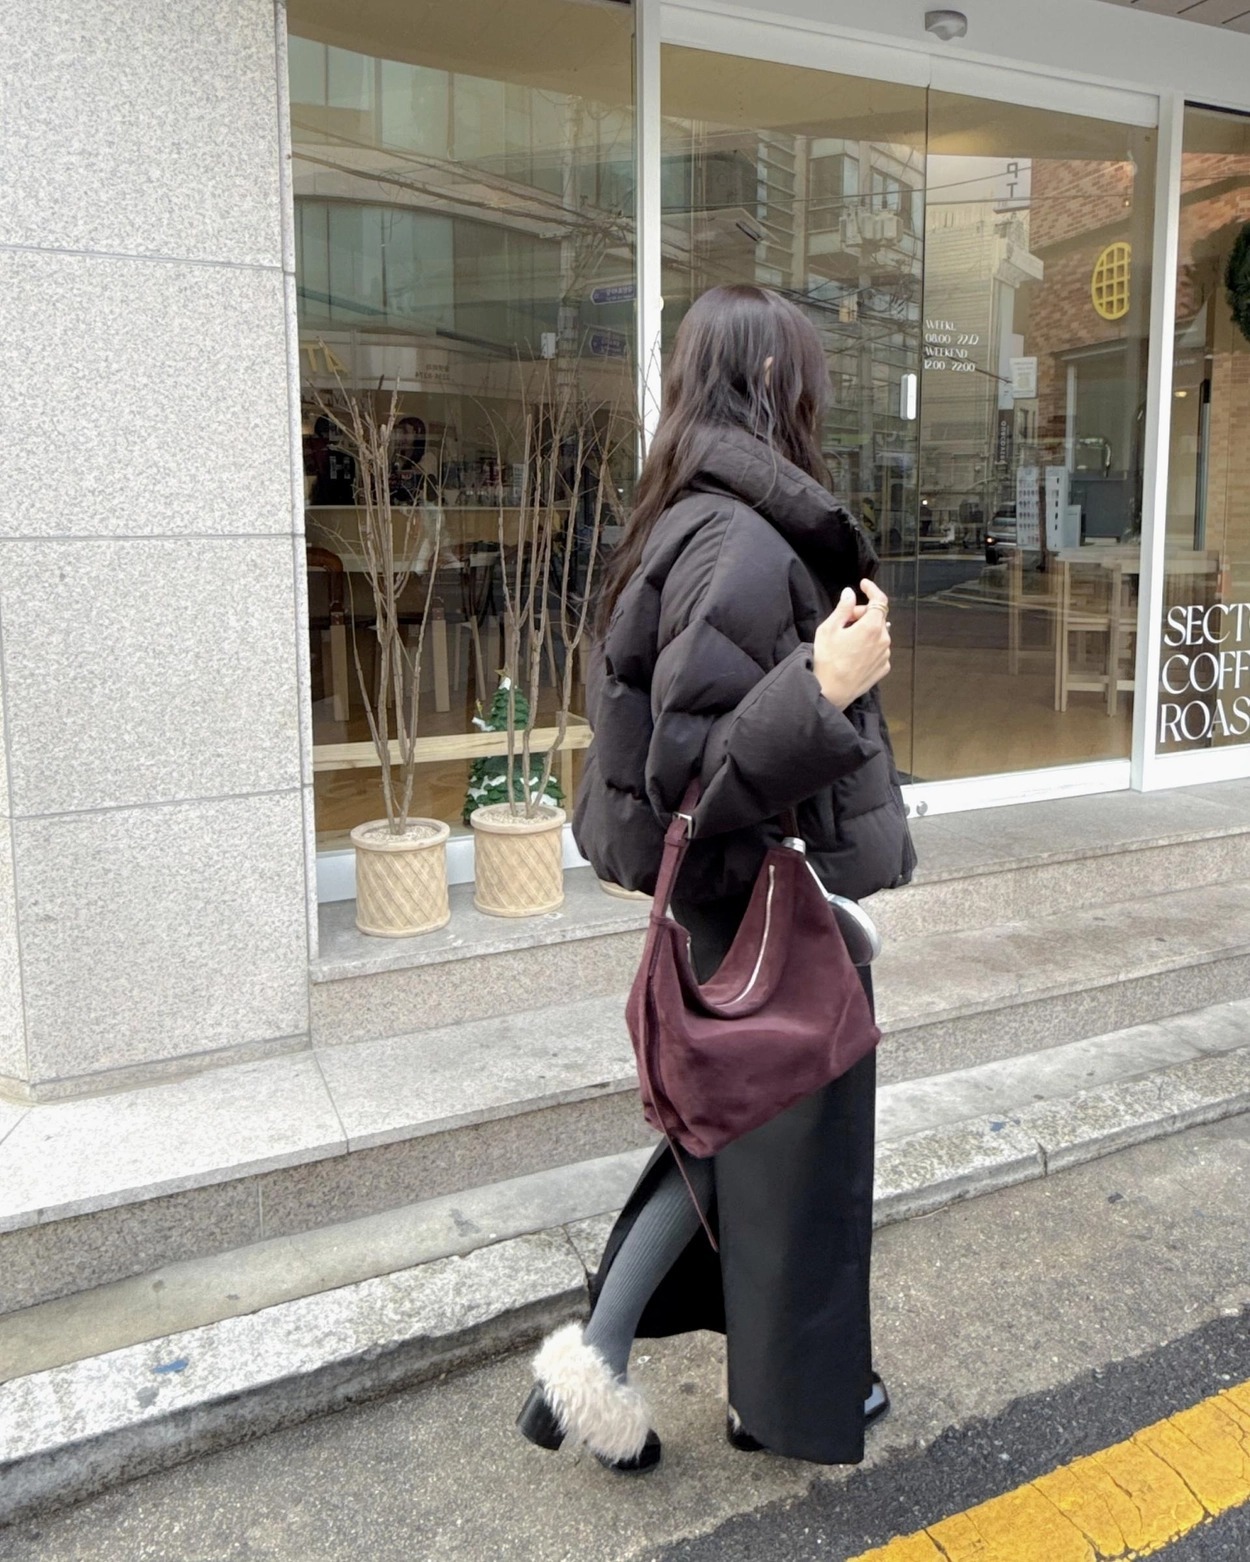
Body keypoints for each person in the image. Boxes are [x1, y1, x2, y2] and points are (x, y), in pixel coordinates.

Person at [517, 284, 915, 1474]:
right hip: (748, 894)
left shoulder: (697, 513)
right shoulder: (738, 536)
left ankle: (701, 1381)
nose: (815, 397)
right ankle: (670, 1378)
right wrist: (824, 687)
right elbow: (694, 763)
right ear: (772, 382)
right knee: (745, 1136)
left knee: (732, 1135)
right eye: (806, 376)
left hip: (735, 893)